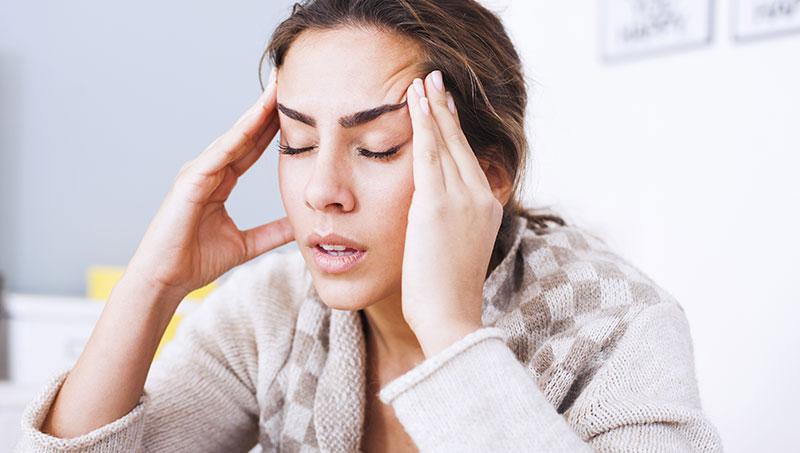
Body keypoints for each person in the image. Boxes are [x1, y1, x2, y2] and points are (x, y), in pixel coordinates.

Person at [17, 0, 722, 451]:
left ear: (491, 175)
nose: (322, 189)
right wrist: (153, 282)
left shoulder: (622, 329)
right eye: (295, 143)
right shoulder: (271, 310)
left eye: (378, 147)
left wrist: (451, 334)